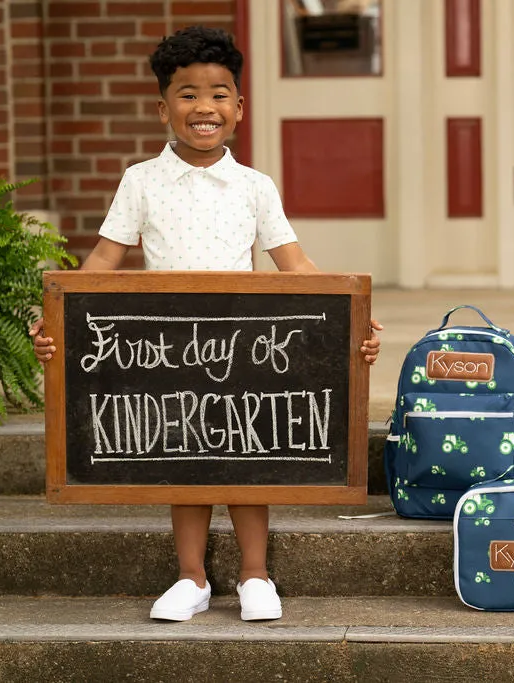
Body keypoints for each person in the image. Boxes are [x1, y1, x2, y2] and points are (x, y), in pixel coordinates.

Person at [28, 25, 383, 623]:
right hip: (168, 351)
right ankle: (191, 578)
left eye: (219, 93)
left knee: (250, 458)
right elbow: (104, 263)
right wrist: (61, 317)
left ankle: (254, 575)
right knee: (184, 459)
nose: (204, 107)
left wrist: (352, 325)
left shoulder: (253, 187)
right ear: (163, 107)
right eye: (187, 94)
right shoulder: (141, 180)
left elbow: (297, 268)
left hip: (245, 347)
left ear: (239, 108)